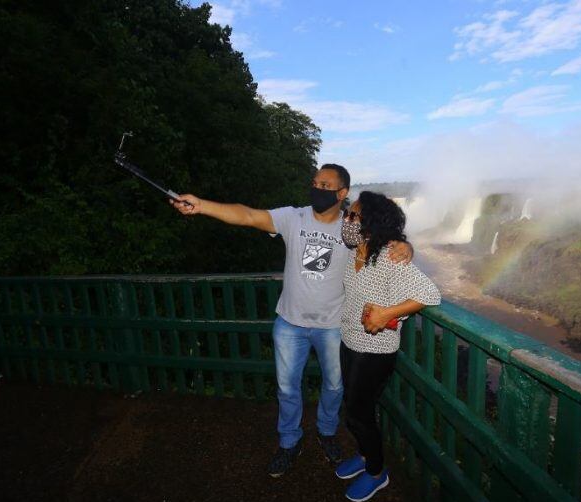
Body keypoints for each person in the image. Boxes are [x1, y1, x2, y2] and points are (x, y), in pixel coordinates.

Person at [170, 164, 413, 477]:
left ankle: (326, 433)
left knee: (335, 386)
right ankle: (289, 441)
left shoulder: (351, 225)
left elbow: (385, 239)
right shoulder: (292, 217)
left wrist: (406, 246)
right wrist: (201, 205)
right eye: (314, 182)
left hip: (333, 325)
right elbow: (246, 215)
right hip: (290, 323)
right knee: (286, 388)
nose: (317, 188)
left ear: (341, 193)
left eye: (325, 184)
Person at [334, 191, 441, 502]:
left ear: (372, 222)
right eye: (347, 215)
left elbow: (429, 292)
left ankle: (377, 472)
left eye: (353, 216)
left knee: (357, 413)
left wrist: (387, 313)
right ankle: (366, 456)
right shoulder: (355, 251)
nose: (347, 221)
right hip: (350, 339)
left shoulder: (388, 257)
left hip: (376, 349)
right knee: (356, 408)